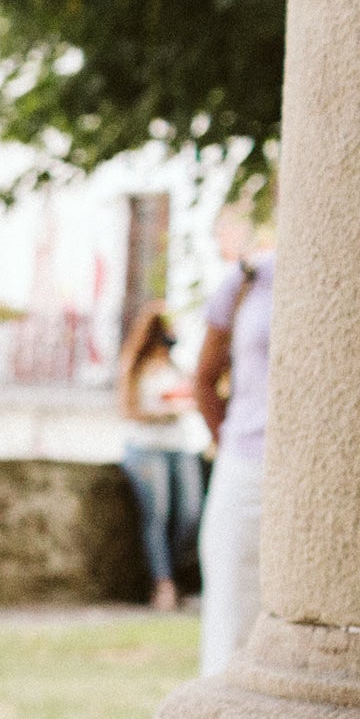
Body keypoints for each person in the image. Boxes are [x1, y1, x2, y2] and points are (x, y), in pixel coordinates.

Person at [193, 217, 277, 675]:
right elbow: (204, 378)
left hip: (323, 473)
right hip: (246, 464)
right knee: (230, 618)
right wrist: (231, 441)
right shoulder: (250, 278)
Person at [117, 303, 205, 615]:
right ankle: (163, 584)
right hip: (146, 447)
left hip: (178, 446)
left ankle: (178, 575)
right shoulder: (137, 369)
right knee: (157, 514)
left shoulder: (176, 368)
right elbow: (130, 410)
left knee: (190, 514)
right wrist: (162, 412)